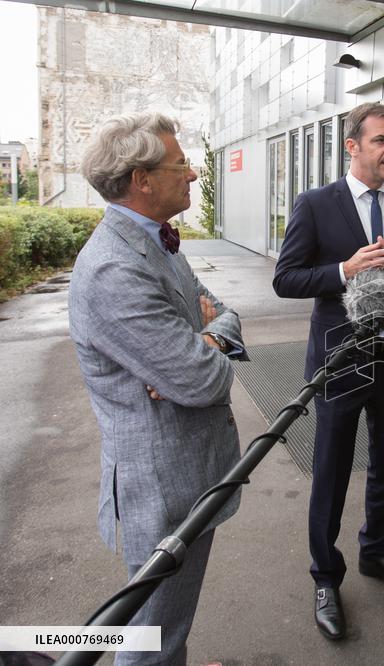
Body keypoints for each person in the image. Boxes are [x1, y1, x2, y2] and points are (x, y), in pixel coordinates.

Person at [70, 112, 248, 665]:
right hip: (163, 491)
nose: (194, 174)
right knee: (149, 639)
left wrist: (207, 336)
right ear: (141, 179)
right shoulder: (113, 270)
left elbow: (223, 314)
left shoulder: (155, 239)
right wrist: (203, 347)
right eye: (180, 164)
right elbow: (203, 379)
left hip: (190, 475)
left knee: (169, 622)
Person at [272, 103, 384, 640]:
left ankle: (375, 553)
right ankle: (325, 576)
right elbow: (286, 279)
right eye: (382, 140)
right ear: (353, 146)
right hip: (339, 361)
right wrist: (345, 269)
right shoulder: (316, 204)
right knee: (332, 472)